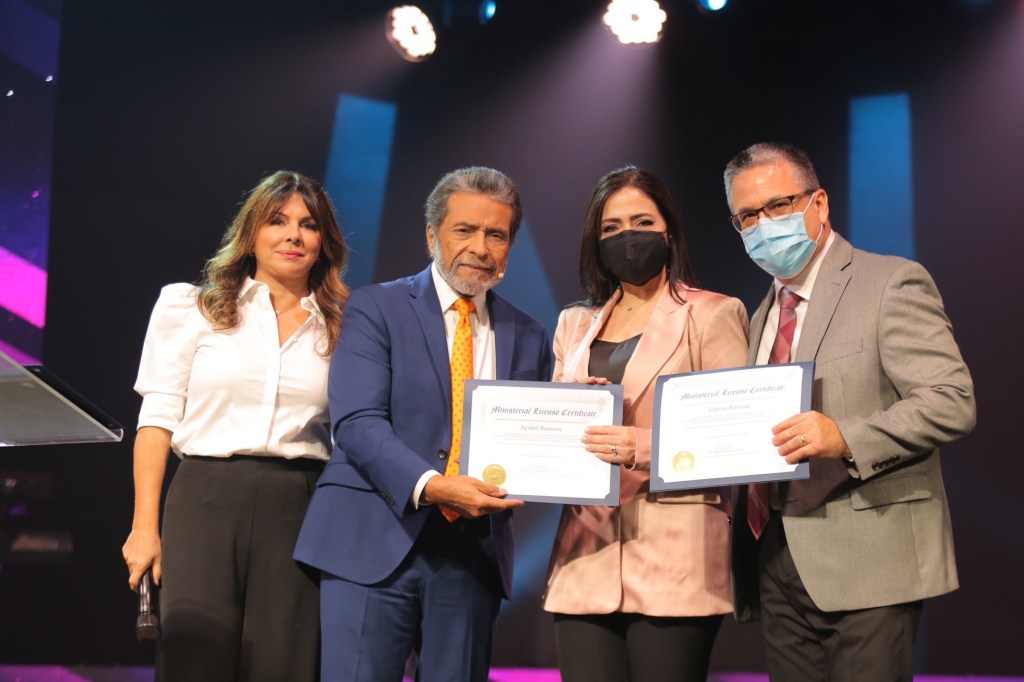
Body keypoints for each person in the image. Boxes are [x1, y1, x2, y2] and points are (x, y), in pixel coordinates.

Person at [723, 142, 976, 681]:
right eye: (747, 216)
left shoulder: (890, 282)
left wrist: (845, 436)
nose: (763, 225)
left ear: (819, 203)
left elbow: (951, 400)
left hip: (870, 559)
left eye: (777, 206)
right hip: (776, 559)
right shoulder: (758, 316)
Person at [294, 166, 552, 682]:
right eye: (465, 230)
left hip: (470, 555)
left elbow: (536, 434)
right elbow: (357, 422)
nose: (480, 247)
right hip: (372, 538)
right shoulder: (376, 307)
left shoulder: (529, 334)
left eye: (496, 234)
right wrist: (433, 486)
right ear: (432, 236)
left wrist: (581, 408)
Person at [121, 170, 349, 682]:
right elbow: (156, 420)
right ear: (251, 232)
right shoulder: (192, 308)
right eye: (278, 221)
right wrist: (143, 527)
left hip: (300, 504)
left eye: (308, 225)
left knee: (285, 663)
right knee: (194, 661)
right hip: (205, 498)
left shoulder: (344, 325)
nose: (293, 235)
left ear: (323, 242)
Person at [542, 166, 749, 682]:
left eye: (641, 222)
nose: (627, 238)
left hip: (676, 552)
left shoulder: (714, 314)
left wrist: (642, 445)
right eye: (611, 228)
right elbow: (554, 430)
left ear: (668, 231)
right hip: (585, 552)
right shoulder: (574, 324)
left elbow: (735, 437)